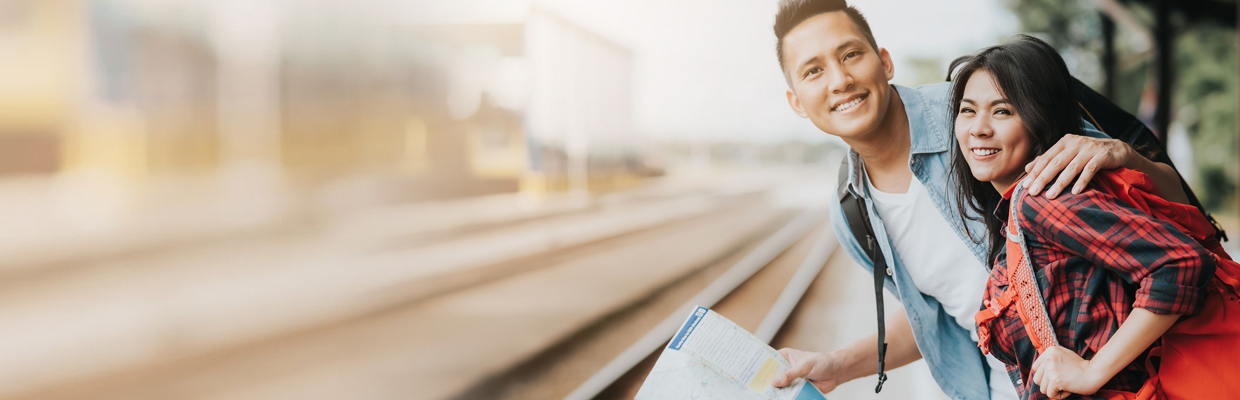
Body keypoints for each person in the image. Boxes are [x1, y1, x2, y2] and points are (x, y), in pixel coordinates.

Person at [766, 1, 1194, 399]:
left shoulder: (980, 110)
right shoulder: (852, 211)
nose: (840, 81)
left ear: (884, 60)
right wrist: (837, 366)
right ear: (796, 102)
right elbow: (935, 317)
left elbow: (1173, 218)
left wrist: (1126, 155)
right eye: (813, 71)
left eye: (850, 55)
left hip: (1123, 378)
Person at [956, 35, 1237, 400]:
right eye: (967, 110)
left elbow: (1180, 262)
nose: (978, 127)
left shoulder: (1040, 200)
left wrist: (1092, 371)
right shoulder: (1019, 215)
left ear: (1040, 119)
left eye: (1003, 111)